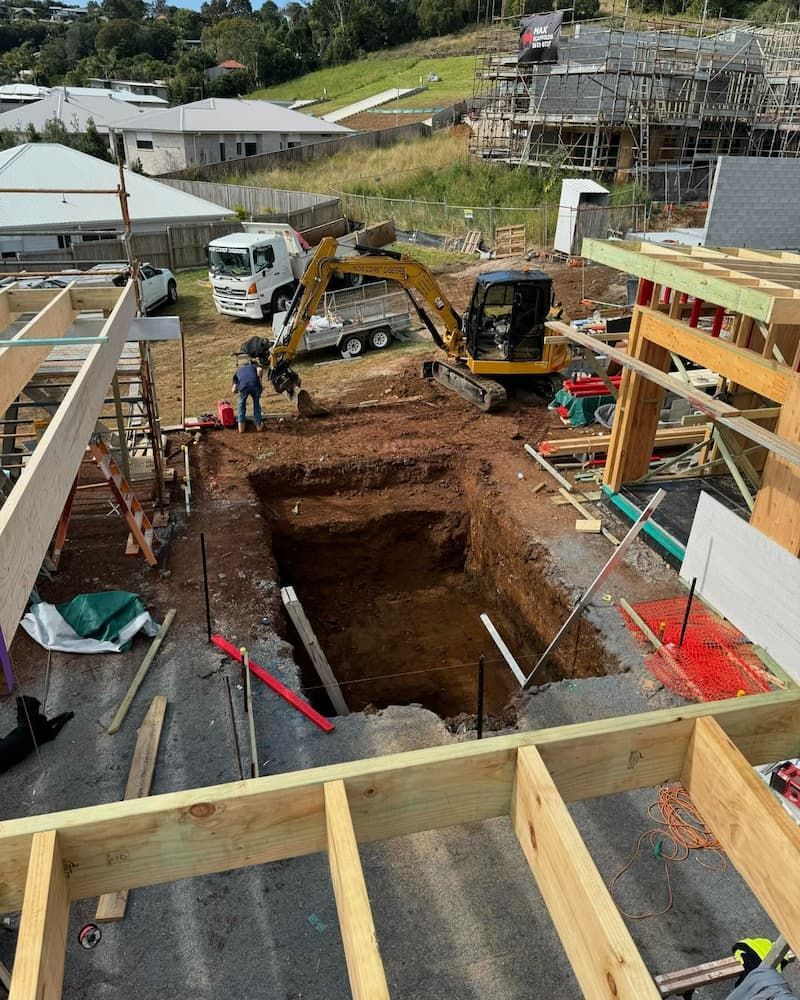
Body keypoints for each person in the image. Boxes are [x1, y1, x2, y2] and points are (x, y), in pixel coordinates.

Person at [231, 361, 263, 433]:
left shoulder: (238, 371)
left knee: (241, 405)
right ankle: (259, 427)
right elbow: (260, 370)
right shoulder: (253, 366)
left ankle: (241, 428)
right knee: (256, 404)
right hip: (255, 385)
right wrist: (260, 382)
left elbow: (233, 390)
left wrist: (239, 391)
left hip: (243, 387)